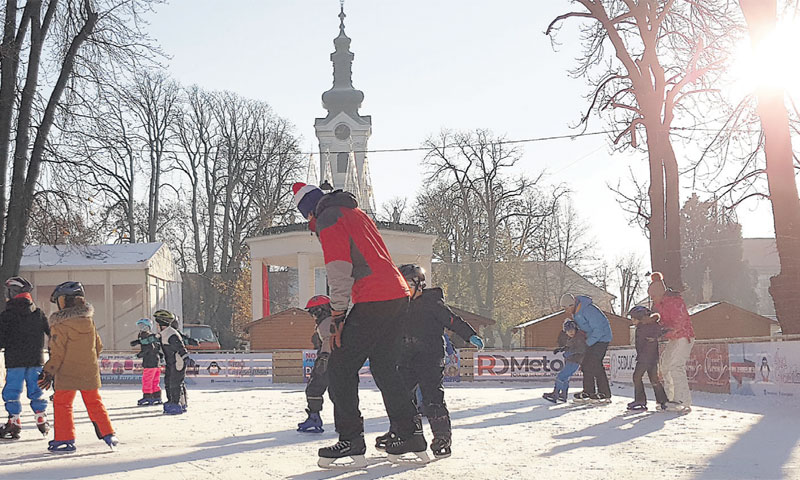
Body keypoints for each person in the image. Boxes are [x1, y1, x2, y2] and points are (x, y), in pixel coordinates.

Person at [291, 182, 425, 467]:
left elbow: (339, 269)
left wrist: (338, 315)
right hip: (398, 293)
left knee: (339, 367)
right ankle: (410, 433)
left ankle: (350, 439)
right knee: (384, 367)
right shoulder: (356, 213)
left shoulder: (328, 218)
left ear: (310, 213)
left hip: (374, 296)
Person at [376, 264, 483, 459]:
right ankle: (401, 433)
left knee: (432, 398)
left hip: (430, 358)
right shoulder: (399, 304)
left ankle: (442, 437)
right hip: (405, 358)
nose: (404, 288)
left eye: (407, 284)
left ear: (419, 284)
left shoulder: (432, 303)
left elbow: (453, 320)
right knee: (401, 398)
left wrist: (470, 335)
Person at [39, 281, 117, 452]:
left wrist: (48, 371)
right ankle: (109, 433)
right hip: (89, 371)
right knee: (94, 402)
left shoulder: (60, 325)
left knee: (62, 404)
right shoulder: (88, 321)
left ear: (66, 301)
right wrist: (87, 361)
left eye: (59, 300)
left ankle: (65, 439)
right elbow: (98, 346)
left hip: (67, 373)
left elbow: (57, 353)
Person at [0, 277, 50, 439]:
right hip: (36, 359)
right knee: (36, 389)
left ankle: (14, 421)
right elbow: (51, 333)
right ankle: (41, 417)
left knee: (12, 390)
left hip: (15, 361)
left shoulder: (7, 315)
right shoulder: (38, 313)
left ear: (13, 293)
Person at [648, 272, 694, 413]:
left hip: (684, 336)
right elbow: (666, 322)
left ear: (659, 293)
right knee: (665, 366)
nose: (652, 299)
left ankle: (682, 400)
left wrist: (666, 330)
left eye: (653, 296)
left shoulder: (674, 301)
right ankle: (670, 397)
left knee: (676, 366)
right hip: (674, 337)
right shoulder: (662, 304)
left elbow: (679, 321)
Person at [560, 293, 613, 403]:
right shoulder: (576, 312)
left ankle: (604, 393)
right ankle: (588, 391)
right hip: (590, 339)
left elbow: (599, 329)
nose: (566, 311)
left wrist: (587, 343)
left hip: (602, 339)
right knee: (585, 364)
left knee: (595, 363)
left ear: (572, 305)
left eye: (566, 308)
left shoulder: (588, 310)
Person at [297, 295, 334, 433]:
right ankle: (345, 421)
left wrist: (324, 357)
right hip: (336, 360)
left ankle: (314, 418)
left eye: (313, 312)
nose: (312, 315)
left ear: (320, 310)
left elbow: (328, 340)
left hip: (328, 359)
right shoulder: (331, 320)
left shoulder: (326, 322)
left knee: (314, 388)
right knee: (336, 391)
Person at [627, 306, 668, 411]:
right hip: (651, 357)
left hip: (645, 357)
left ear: (640, 318)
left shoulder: (646, 327)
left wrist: (642, 356)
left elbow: (655, 336)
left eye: (634, 318)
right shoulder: (647, 326)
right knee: (654, 379)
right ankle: (663, 401)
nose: (632, 320)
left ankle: (640, 400)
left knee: (637, 377)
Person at [153, 310, 188, 415]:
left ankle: (178, 403)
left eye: (157, 323)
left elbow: (181, 348)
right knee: (168, 382)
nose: (156, 326)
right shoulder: (164, 334)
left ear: (161, 324)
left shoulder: (171, 334)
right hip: (170, 362)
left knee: (175, 383)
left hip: (178, 362)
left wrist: (186, 358)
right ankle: (172, 401)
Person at [544, 319, 586, 403]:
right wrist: (561, 349)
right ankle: (563, 395)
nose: (571, 332)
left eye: (572, 330)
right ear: (565, 331)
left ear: (575, 329)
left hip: (574, 361)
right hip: (571, 360)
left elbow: (580, 349)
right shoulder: (572, 338)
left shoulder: (578, 337)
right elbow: (569, 347)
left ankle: (555, 394)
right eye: (568, 330)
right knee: (565, 378)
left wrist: (569, 353)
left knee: (561, 376)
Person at [130, 318, 163, 406]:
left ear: (148, 327)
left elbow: (149, 348)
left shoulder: (146, 336)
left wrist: (139, 355)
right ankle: (156, 396)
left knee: (147, 380)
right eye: (140, 326)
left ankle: (148, 396)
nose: (141, 328)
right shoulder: (150, 336)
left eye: (143, 326)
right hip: (156, 362)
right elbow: (156, 348)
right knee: (154, 380)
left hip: (150, 362)